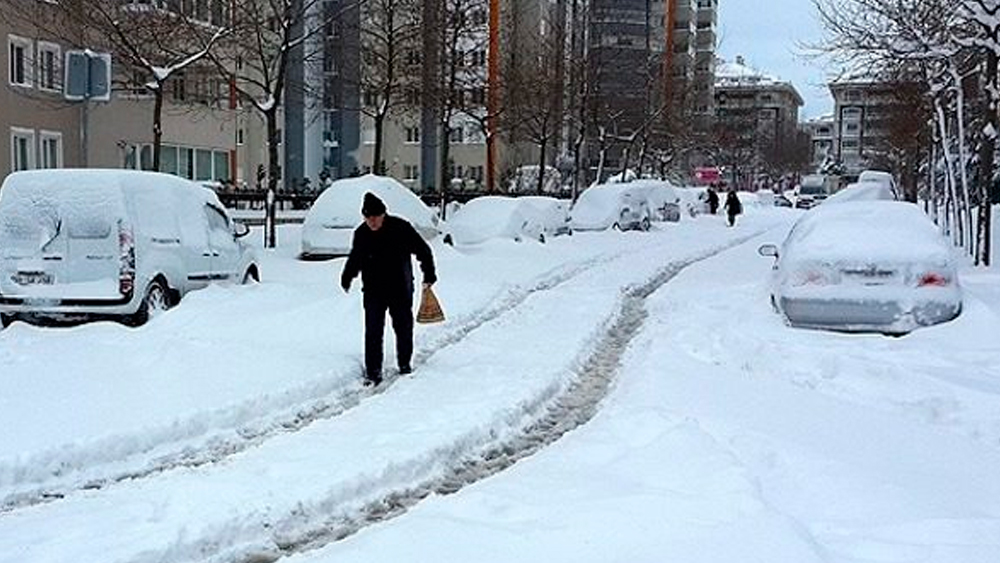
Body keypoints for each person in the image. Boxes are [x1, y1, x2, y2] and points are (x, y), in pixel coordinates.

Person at [341, 192, 437, 387]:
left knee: (403, 328)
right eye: (368, 217)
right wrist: (347, 275)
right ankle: (373, 372)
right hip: (373, 290)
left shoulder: (400, 228)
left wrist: (429, 275)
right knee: (373, 331)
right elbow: (356, 257)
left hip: (399, 287)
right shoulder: (361, 234)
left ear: (384, 214)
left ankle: (404, 364)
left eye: (376, 217)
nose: (372, 222)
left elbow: (423, 251)